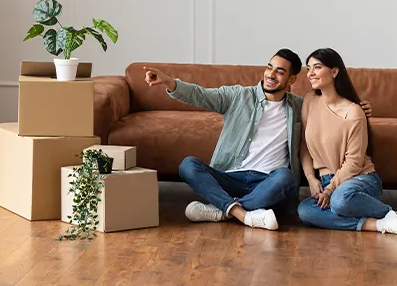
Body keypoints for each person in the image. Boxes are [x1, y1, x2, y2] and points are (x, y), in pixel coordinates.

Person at [143, 49, 373, 230]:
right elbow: (199, 95)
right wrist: (170, 82)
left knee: (285, 176)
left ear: (292, 79)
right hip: (231, 176)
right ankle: (242, 213)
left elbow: (331, 112)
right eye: (269, 68)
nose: (270, 75)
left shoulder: (300, 105)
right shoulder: (238, 96)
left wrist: (358, 108)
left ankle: (221, 209)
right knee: (188, 165)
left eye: (280, 72)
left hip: (269, 182)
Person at [296, 48, 397, 236]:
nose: (310, 73)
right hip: (325, 181)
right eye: (308, 68)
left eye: (317, 67)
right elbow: (303, 144)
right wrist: (311, 178)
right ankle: (380, 223)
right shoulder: (310, 100)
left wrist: (330, 190)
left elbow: (354, 163)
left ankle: (393, 213)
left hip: (358, 178)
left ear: (334, 71)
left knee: (340, 201)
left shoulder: (354, 111)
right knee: (305, 211)